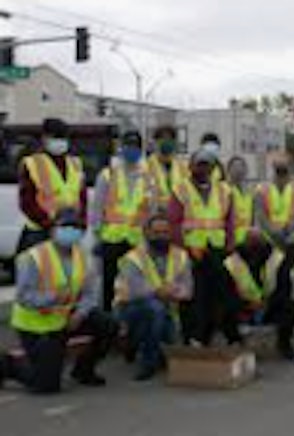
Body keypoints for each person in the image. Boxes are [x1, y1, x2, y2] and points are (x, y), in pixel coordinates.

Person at [0, 209, 118, 393]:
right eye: (65, 226)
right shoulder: (33, 257)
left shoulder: (83, 256)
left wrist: (80, 314)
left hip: (68, 318)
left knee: (109, 325)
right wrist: (53, 297)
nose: (70, 231)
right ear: (53, 230)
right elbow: (23, 297)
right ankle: (8, 366)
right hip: (37, 325)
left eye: (76, 227)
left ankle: (83, 370)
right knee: (45, 386)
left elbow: (90, 294)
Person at [114, 214, 193, 380]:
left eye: (165, 232)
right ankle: (147, 362)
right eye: (156, 232)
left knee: (162, 315)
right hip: (130, 309)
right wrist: (160, 291)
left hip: (168, 310)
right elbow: (134, 290)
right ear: (146, 233)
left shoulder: (181, 256)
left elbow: (188, 289)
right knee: (154, 309)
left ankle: (149, 349)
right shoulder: (133, 258)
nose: (161, 236)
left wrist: (174, 291)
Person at [169, 149, 235, 346]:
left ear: (213, 168)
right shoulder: (181, 189)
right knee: (192, 298)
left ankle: (210, 335)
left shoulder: (224, 190)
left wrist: (229, 247)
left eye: (207, 165)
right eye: (200, 164)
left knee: (217, 296)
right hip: (190, 251)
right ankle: (192, 337)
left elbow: (229, 222)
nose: (203, 169)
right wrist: (183, 248)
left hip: (216, 251)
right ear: (191, 167)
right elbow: (174, 222)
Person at [91, 131, 149, 311]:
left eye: (135, 146)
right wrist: (98, 234)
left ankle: (129, 325)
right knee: (109, 285)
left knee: (134, 285)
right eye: (128, 145)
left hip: (136, 241)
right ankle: (109, 324)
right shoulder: (107, 175)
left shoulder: (147, 177)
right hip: (111, 239)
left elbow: (150, 209)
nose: (132, 149)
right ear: (121, 148)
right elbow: (97, 208)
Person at [254, 152, 294, 348]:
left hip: (291, 243)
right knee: (270, 281)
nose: (281, 166)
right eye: (277, 163)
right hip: (269, 244)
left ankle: (283, 328)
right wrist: (275, 233)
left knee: (287, 282)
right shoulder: (262, 189)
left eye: (284, 163)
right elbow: (261, 216)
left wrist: (289, 232)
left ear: (291, 165)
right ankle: (272, 318)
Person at [223, 231, 294, 358]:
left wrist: (267, 303)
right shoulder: (231, 262)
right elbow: (226, 293)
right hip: (244, 308)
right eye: (250, 240)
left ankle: (284, 344)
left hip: (270, 306)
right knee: (222, 309)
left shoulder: (278, 259)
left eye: (257, 240)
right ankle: (235, 342)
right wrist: (246, 305)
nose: (254, 244)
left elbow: (285, 289)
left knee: (291, 307)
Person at [17, 118, 87, 253]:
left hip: (69, 231)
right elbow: (26, 202)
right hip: (40, 232)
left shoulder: (75, 163)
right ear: (45, 138)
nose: (60, 142)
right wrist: (50, 225)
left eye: (63, 137)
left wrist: (81, 223)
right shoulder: (32, 163)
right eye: (56, 137)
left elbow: (82, 198)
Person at [147, 125, 188, 211]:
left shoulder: (182, 166)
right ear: (156, 142)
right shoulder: (147, 166)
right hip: (155, 214)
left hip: (178, 213)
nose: (166, 142)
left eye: (170, 139)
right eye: (162, 139)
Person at [228, 156, 254, 248]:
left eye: (241, 167)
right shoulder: (224, 190)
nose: (238, 170)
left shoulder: (249, 192)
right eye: (235, 167)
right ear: (229, 170)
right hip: (231, 241)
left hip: (248, 240)